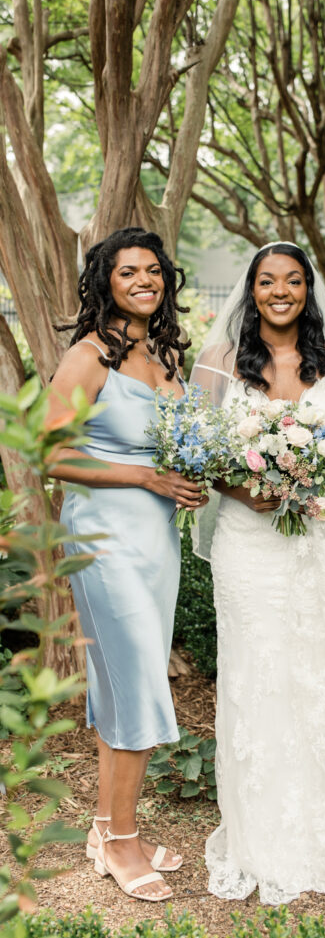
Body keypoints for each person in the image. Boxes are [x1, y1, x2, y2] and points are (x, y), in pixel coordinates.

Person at [190, 242, 325, 905]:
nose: (281, 291)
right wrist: (246, 489)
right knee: (259, 673)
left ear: (309, 290)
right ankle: (259, 834)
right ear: (250, 290)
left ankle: (322, 826)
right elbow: (196, 452)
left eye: (293, 281)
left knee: (321, 675)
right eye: (267, 281)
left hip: (324, 541)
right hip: (251, 544)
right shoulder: (219, 363)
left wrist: (321, 482)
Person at [49, 227, 206, 903]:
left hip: (156, 543)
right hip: (103, 540)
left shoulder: (165, 359)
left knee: (122, 688)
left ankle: (106, 827)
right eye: (127, 272)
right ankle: (119, 844)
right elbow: (52, 456)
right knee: (139, 683)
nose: (143, 280)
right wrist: (142, 477)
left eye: (152, 271)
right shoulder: (87, 357)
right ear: (104, 283)